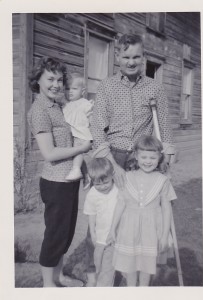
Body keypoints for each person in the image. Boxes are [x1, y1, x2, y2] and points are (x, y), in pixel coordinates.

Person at [84, 33, 175, 286]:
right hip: (110, 157)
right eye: (126, 56)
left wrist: (167, 160)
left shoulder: (155, 87)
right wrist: (114, 165)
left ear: (143, 57)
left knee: (136, 218)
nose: (131, 61)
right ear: (118, 57)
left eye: (136, 56)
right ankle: (97, 276)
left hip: (141, 159)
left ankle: (130, 276)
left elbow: (164, 127)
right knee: (103, 217)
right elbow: (96, 129)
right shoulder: (107, 86)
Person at [27, 56, 91, 287]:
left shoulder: (60, 106)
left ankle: (60, 276)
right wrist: (83, 148)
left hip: (69, 179)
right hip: (55, 182)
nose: (56, 84)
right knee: (55, 233)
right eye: (50, 79)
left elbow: (71, 138)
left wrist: (83, 166)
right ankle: (48, 285)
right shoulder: (39, 110)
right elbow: (50, 153)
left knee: (65, 232)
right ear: (38, 81)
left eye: (59, 79)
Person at [107, 134, 177, 286]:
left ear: (159, 158)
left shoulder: (163, 180)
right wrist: (113, 228)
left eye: (152, 158)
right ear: (136, 157)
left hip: (151, 230)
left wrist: (165, 235)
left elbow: (166, 209)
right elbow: (120, 204)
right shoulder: (127, 177)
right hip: (129, 229)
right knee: (130, 264)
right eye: (144, 157)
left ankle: (144, 288)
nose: (148, 161)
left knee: (147, 264)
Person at [83, 158, 118, 286]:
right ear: (91, 180)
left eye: (106, 183)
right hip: (99, 237)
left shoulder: (118, 190)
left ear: (112, 175)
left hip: (113, 237)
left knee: (108, 268)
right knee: (97, 264)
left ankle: (103, 289)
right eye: (97, 184)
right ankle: (96, 282)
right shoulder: (92, 194)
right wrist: (92, 232)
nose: (102, 187)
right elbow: (91, 214)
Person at [62, 72, 93, 186]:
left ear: (83, 91)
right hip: (72, 134)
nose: (70, 91)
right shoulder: (65, 105)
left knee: (78, 152)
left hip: (82, 133)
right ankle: (86, 175)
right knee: (78, 156)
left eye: (74, 88)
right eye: (67, 88)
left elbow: (92, 117)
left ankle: (76, 170)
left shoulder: (85, 103)